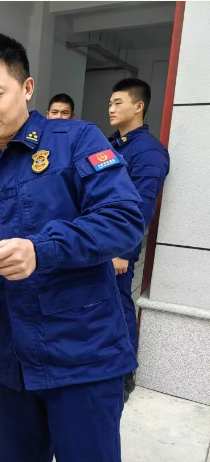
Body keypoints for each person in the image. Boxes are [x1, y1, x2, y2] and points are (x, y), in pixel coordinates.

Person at [0, 33, 145, 462]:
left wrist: (41, 250)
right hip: (10, 363)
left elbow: (124, 219)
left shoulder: (77, 140)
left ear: (27, 88)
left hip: (82, 357)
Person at [108, 78, 170, 402]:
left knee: (119, 306)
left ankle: (124, 372)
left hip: (116, 248)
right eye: (110, 103)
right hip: (95, 241)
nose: (111, 108)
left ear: (138, 106)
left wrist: (122, 252)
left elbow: (141, 209)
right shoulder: (109, 146)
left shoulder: (148, 152)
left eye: (118, 102)